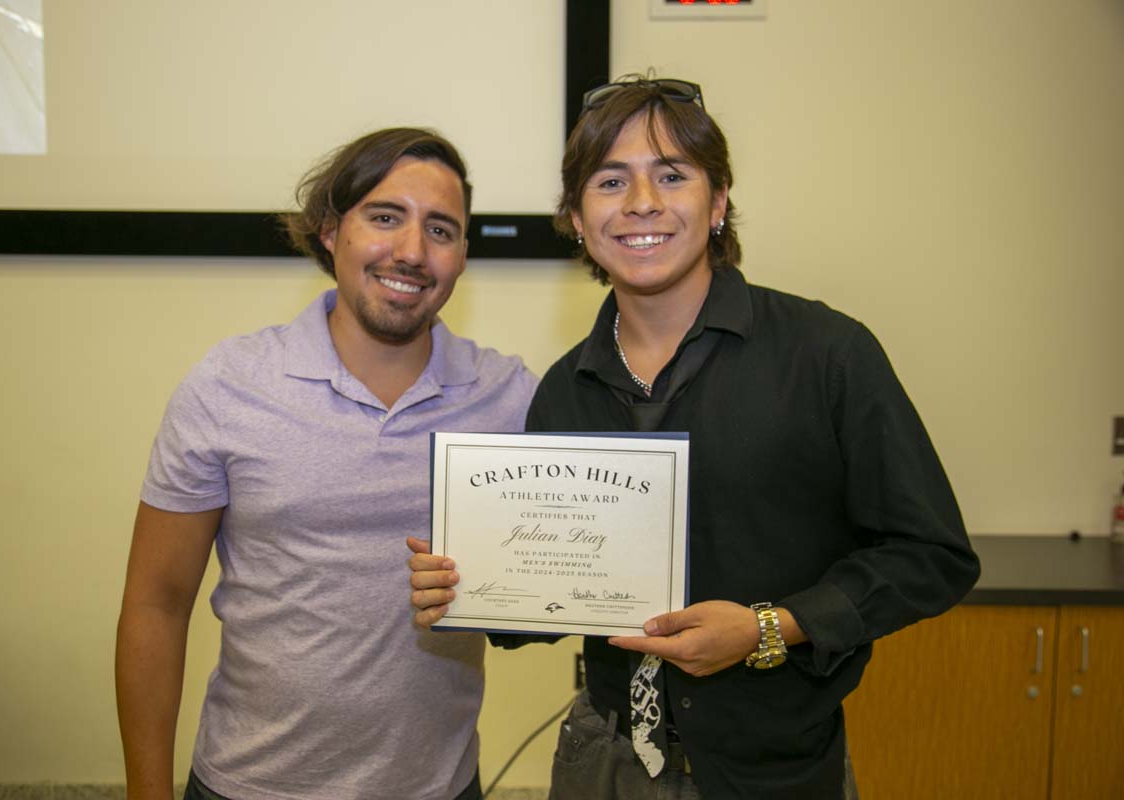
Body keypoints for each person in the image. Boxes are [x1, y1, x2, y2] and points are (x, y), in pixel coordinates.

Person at [409, 77, 980, 799]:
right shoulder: (565, 389)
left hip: (776, 770)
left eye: (671, 175)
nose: (641, 202)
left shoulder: (827, 354)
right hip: (602, 762)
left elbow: (933, 554)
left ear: (717, 203)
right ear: (578, 220)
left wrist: (770, 627)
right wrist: (466, 586)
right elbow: (547, 606)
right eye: (610, 180)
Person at [116, 127, 537, 800]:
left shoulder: (509, 398)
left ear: (462, 256)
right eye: (384, 217)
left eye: (441, 229)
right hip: (247, 784)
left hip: (441, 787)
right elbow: (156, 606)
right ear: (330, 230)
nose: (411, 251)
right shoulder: (227, 386)